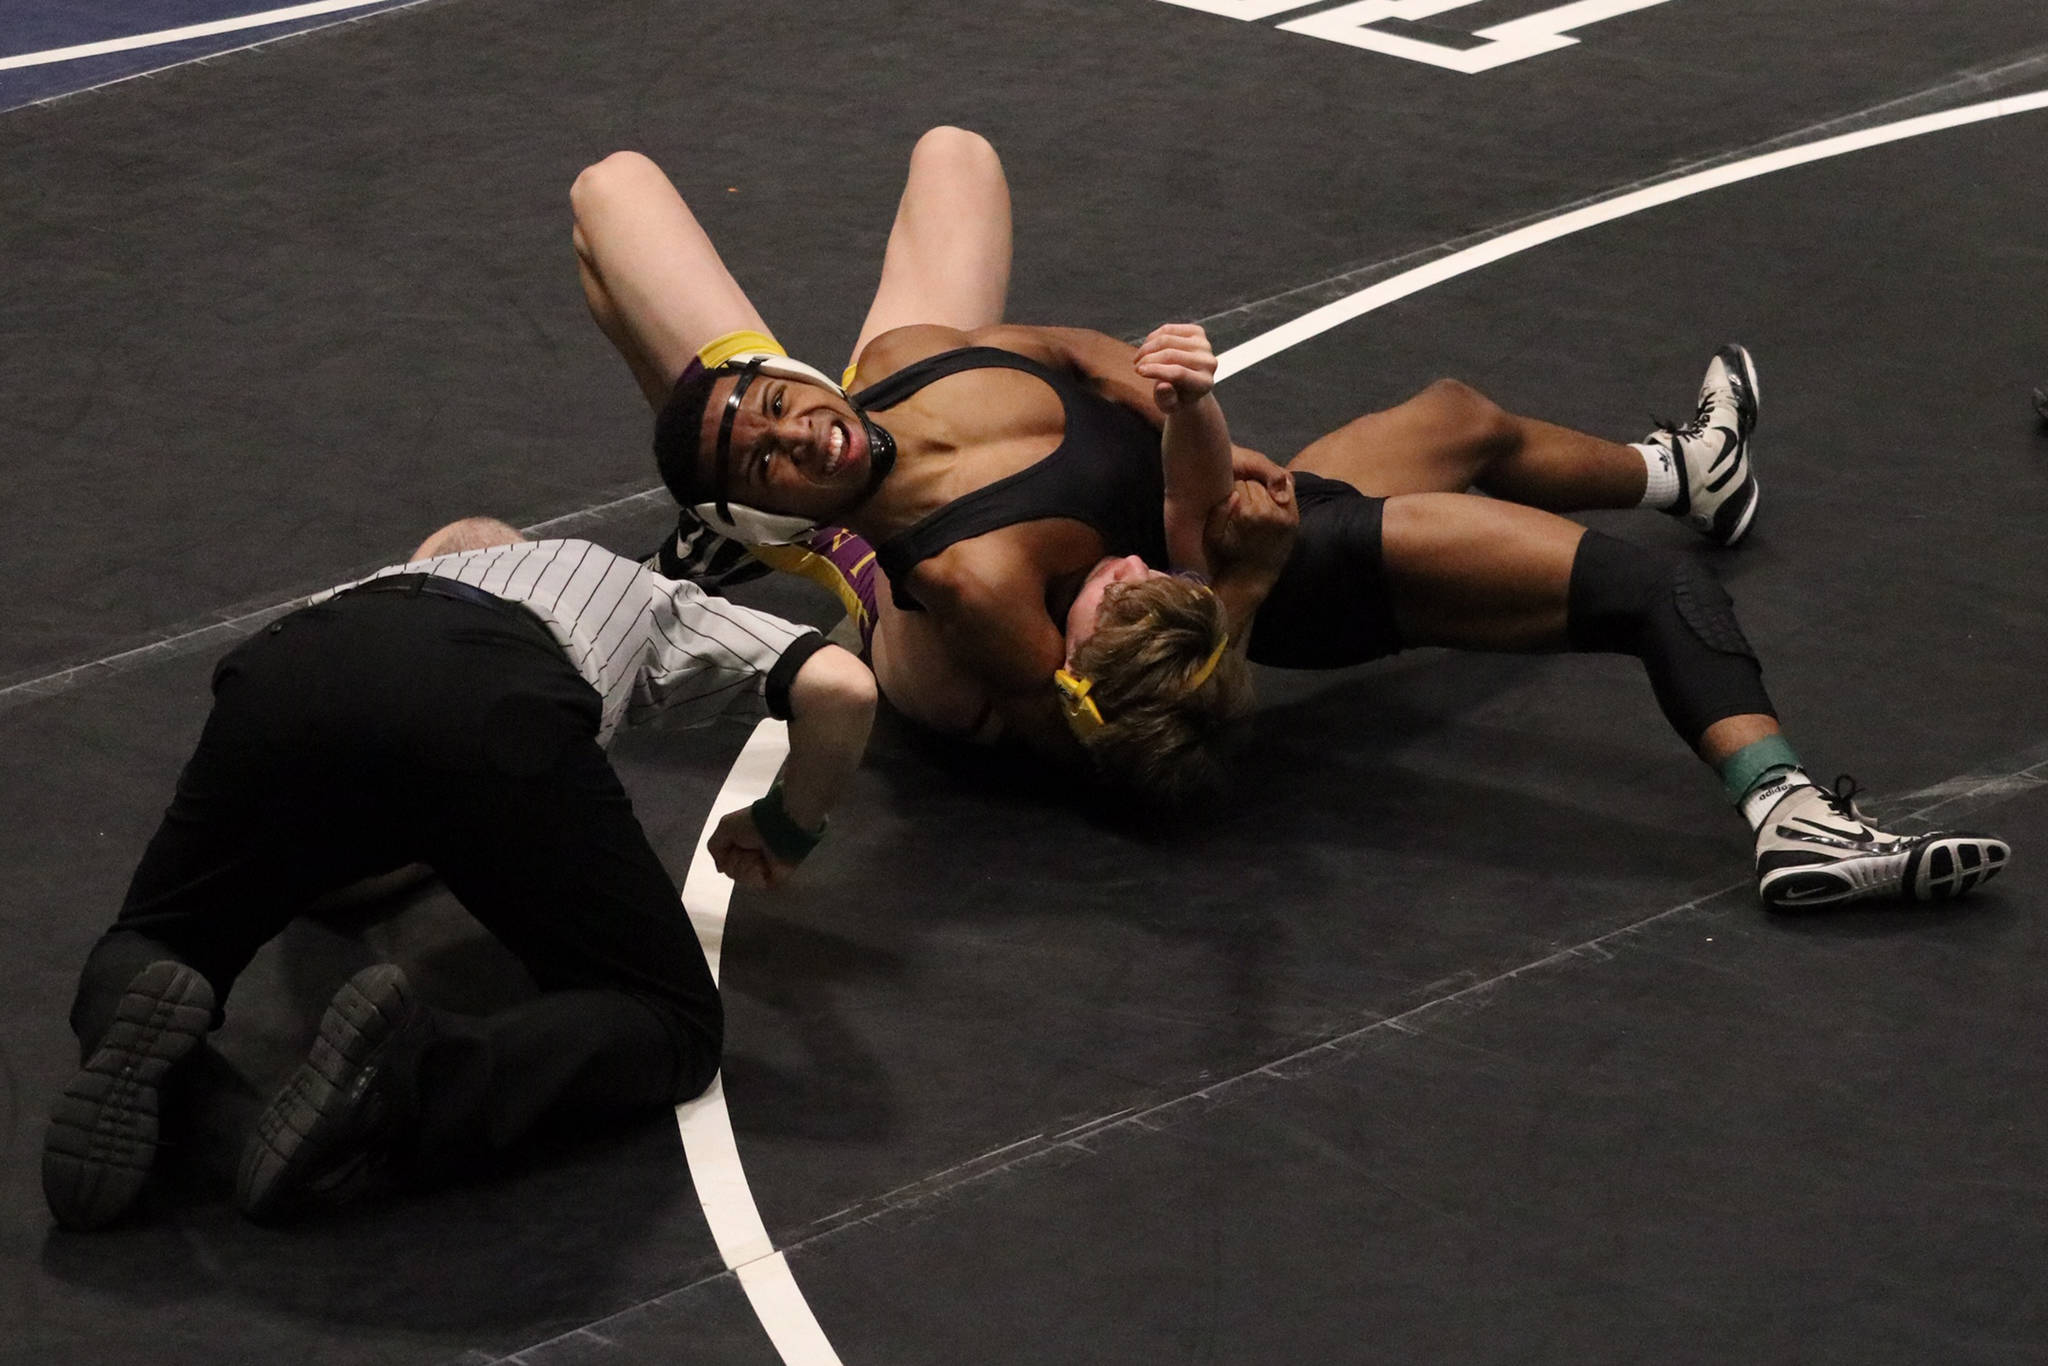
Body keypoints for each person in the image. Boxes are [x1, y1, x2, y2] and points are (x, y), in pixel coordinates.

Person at [568, 128, 2009, 910]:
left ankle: (1688, 475)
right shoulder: (986, 583)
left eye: (767, 406)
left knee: (1451, 414)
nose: (789, 425)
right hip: (1163, 590)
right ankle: (1793, 817)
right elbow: (1131, 741)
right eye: (762, 451)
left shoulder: (904, 362)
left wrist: (1179, 398)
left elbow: (1080, 362)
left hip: (1192, 513)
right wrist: (1233, 585)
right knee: (608, 207)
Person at [42, 518, 876, 1231]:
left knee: (158, 939)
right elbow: (841, 687)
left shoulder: (372, 587)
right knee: (673, 1026)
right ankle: (402, 1081)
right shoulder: (619, 580)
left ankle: (218, 1123)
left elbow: (353, 852)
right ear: (519, 549)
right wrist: (785, 823)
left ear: (434, 556)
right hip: (490, 700)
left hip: (280, 675)